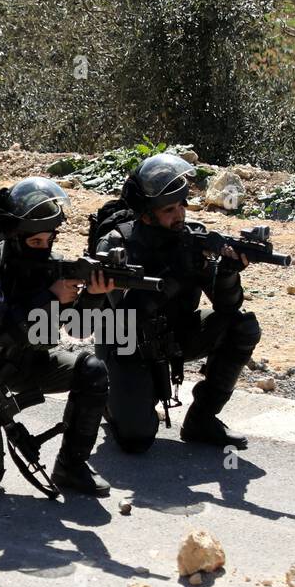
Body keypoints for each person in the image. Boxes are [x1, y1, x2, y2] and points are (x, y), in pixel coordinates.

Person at [0, 178, 113, 496]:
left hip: (29, 361)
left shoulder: (52, 267)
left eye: (49, 240)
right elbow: (1, 334)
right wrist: (52, 299)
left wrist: (94, 297)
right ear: (14, 237)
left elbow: (79, 330)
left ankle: (71, 467)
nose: (45, 250)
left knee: (93, 370)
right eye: (36, 243)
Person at [92, 153, 261, 452]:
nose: (180, 215)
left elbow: (227, 306)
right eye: (169, 210)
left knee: (243, 327)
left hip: (176, 335)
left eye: (182, 205)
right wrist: (176, 272)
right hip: (128, 347)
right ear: (145, 215)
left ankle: (202, 419)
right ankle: (110, 399)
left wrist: (227, 273)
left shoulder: (191, 238)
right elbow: (130, 312)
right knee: (136, 439)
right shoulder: (117, 245)